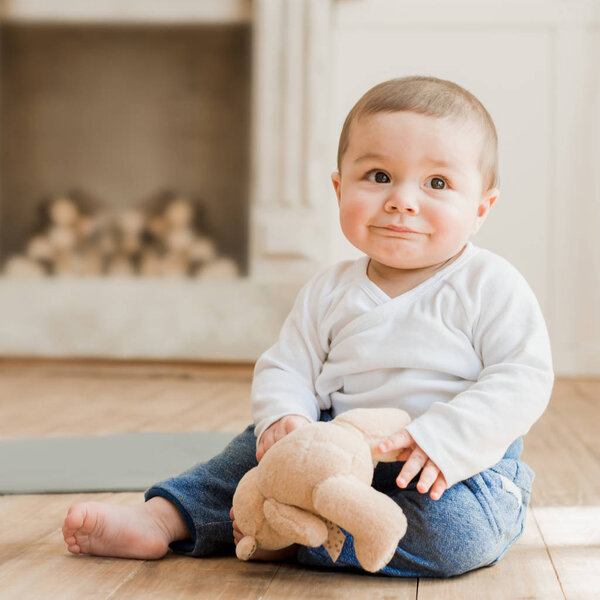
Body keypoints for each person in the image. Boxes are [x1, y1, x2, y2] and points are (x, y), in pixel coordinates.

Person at [62, 76, 554, 577]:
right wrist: (286, 418)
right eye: (379, 176)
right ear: (339, 187)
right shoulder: (330, 289)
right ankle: (162, 519)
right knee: (248, 454)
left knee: (457, 535)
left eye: (437, 184)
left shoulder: (489, 284)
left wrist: (444, 439)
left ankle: (291, 538)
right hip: (332, 453)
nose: (402, 200)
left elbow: (522, 378)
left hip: (449, 467)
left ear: (480, 209)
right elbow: (287, 365)